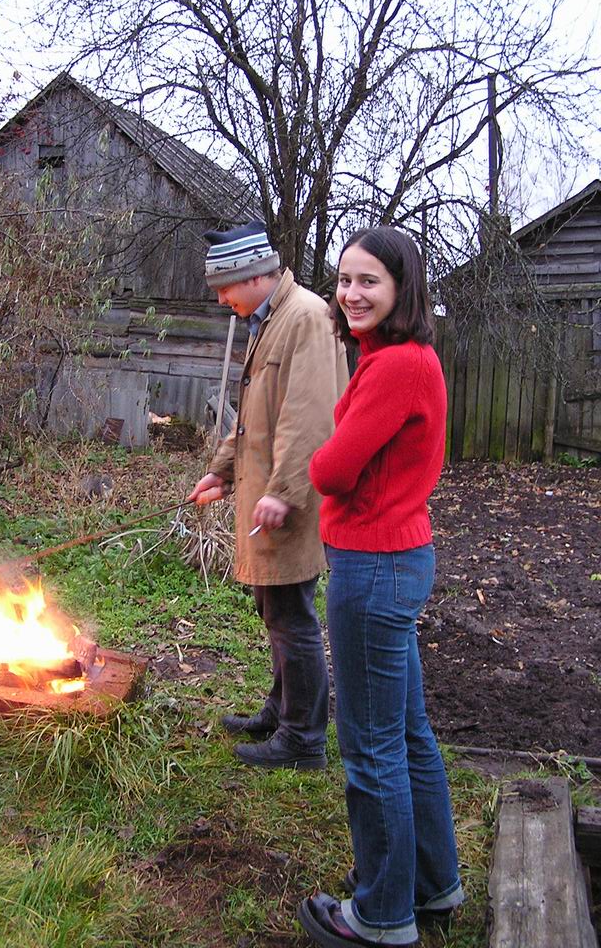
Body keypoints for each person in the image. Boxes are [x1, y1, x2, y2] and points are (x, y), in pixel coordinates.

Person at [298, 227, 464, 947]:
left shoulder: (396, 365)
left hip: (372, 567)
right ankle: (432, 883)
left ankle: (383, 916)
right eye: (344, 280)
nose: (351, 293)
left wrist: (320, 458)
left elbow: (333, 470)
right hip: (397, 559)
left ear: (402, 288)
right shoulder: (401, 358)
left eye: (369, 280)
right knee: (407, 732)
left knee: (371, 748)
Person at [189, 220, 347, 770]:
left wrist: (282, 492)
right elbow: (256, 419)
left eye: (224, 288)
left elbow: (311, 420)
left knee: (291, 616)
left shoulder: (306, 318)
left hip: (289, 502)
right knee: (274, 608)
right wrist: (222, 472)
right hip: (265, 497)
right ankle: (282, 711)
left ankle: (303, 740)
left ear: (252, 275)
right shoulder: (270, 319)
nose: (221, 300)